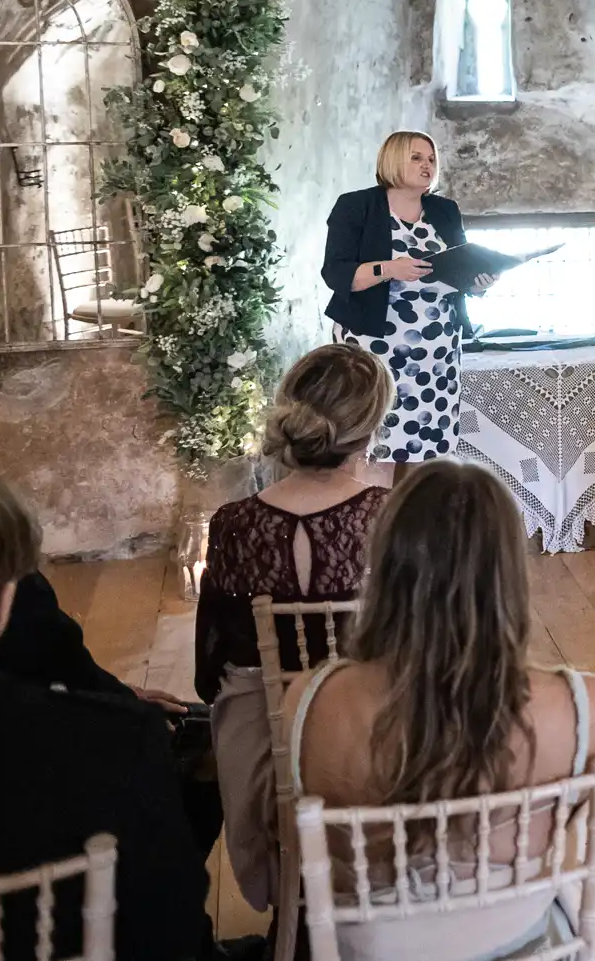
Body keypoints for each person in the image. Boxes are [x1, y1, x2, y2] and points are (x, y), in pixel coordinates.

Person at [284, 462, 595, 959]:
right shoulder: (587, 704)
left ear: (387, 566)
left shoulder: (309, 702)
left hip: (377, 945)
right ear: (510, 575)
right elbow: (559, 834)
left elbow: (309, 848)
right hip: (520, 936)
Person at [194, 344, 394, 911]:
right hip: (368, 735)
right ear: (370, 428)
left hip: (269, 745)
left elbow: (214, 657)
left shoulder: (233, 524)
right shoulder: (391, 514)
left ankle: (286, 905)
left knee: (234, 693)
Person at [0, 477, 209, 961]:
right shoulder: (115, 744)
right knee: (195, 745)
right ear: (0, 601)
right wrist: (118, 710)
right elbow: (168, 931)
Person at [321, 130, 493, 478]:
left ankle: (415, 526)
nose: (427, 165)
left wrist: (478, 284)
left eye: (431, 159)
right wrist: (390, 269)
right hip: (376, 346)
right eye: (416, 157)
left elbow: (460, 265)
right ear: (392, 160)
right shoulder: (357, 206)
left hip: (436, 351)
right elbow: (336, 273)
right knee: (375, 448)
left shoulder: (444, 210)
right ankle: (369, 525)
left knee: (427, 453)